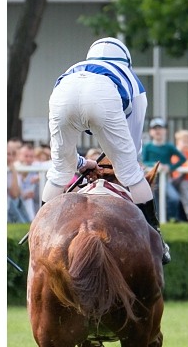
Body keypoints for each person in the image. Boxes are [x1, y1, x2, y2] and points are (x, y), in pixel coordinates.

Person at [42, 37, 170, 264]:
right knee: (131, 173)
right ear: (126, 61)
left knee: (59, 171)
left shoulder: (74, 68)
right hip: (103, 97)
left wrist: (82, 164)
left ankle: (39, 236)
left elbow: (70, 136)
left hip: (61, 94)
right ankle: (156, 239)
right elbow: (132, 145)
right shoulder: (131, 79)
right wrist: (123, 162)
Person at [142, 117, 186, 222]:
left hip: (165, 179)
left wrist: (170, 167)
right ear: (151, 132)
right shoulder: (147, 147)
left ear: (165, 131)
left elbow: (182, 159)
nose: (158, 131)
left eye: (160, 128)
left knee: (174, 198)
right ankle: (157, 221)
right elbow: (144, 161)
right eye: (155, 128)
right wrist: (156, 165)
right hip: (152, 180)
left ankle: (172, 218)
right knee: (155, 202)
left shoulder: (169, 146)